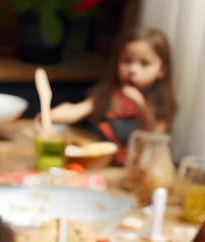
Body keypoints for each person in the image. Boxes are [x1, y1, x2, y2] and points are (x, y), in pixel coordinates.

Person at [47, 28, 176, 163]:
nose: (132, 70)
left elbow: (155, 137)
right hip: (107, 163)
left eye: (144, 64)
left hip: (140, 167)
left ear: (162, 70)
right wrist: (48, 115)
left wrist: (141, 106)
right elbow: (77, 109)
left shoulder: (162, 104)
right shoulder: (108, 94)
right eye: (127, 61)